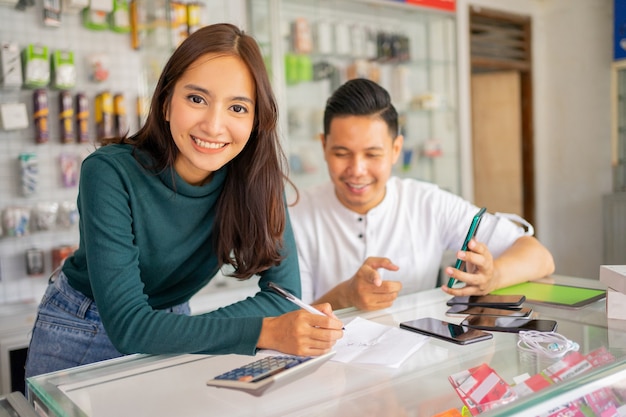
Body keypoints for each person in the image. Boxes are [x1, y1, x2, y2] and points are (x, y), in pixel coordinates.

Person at [25, 23, 343, 379]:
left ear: (256, 121)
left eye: (237, 108)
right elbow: (129, 326)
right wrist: (264, 329)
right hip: (84, 327)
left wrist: (164, 331)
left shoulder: (258, 181)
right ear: (165, 104)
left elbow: (283, 297)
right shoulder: (109, 172)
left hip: (177, 326)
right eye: (196, 99)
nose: (213, 125)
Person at [289, 78, 555, 311]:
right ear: (324, 146)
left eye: (372, 154)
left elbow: (539, 257)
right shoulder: (295, 215)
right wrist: (344, 297)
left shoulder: (428, 202)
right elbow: (289, 321)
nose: (357, 170)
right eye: (341, 153)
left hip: (419, 362)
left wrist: (492, 276)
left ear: (396, 149)